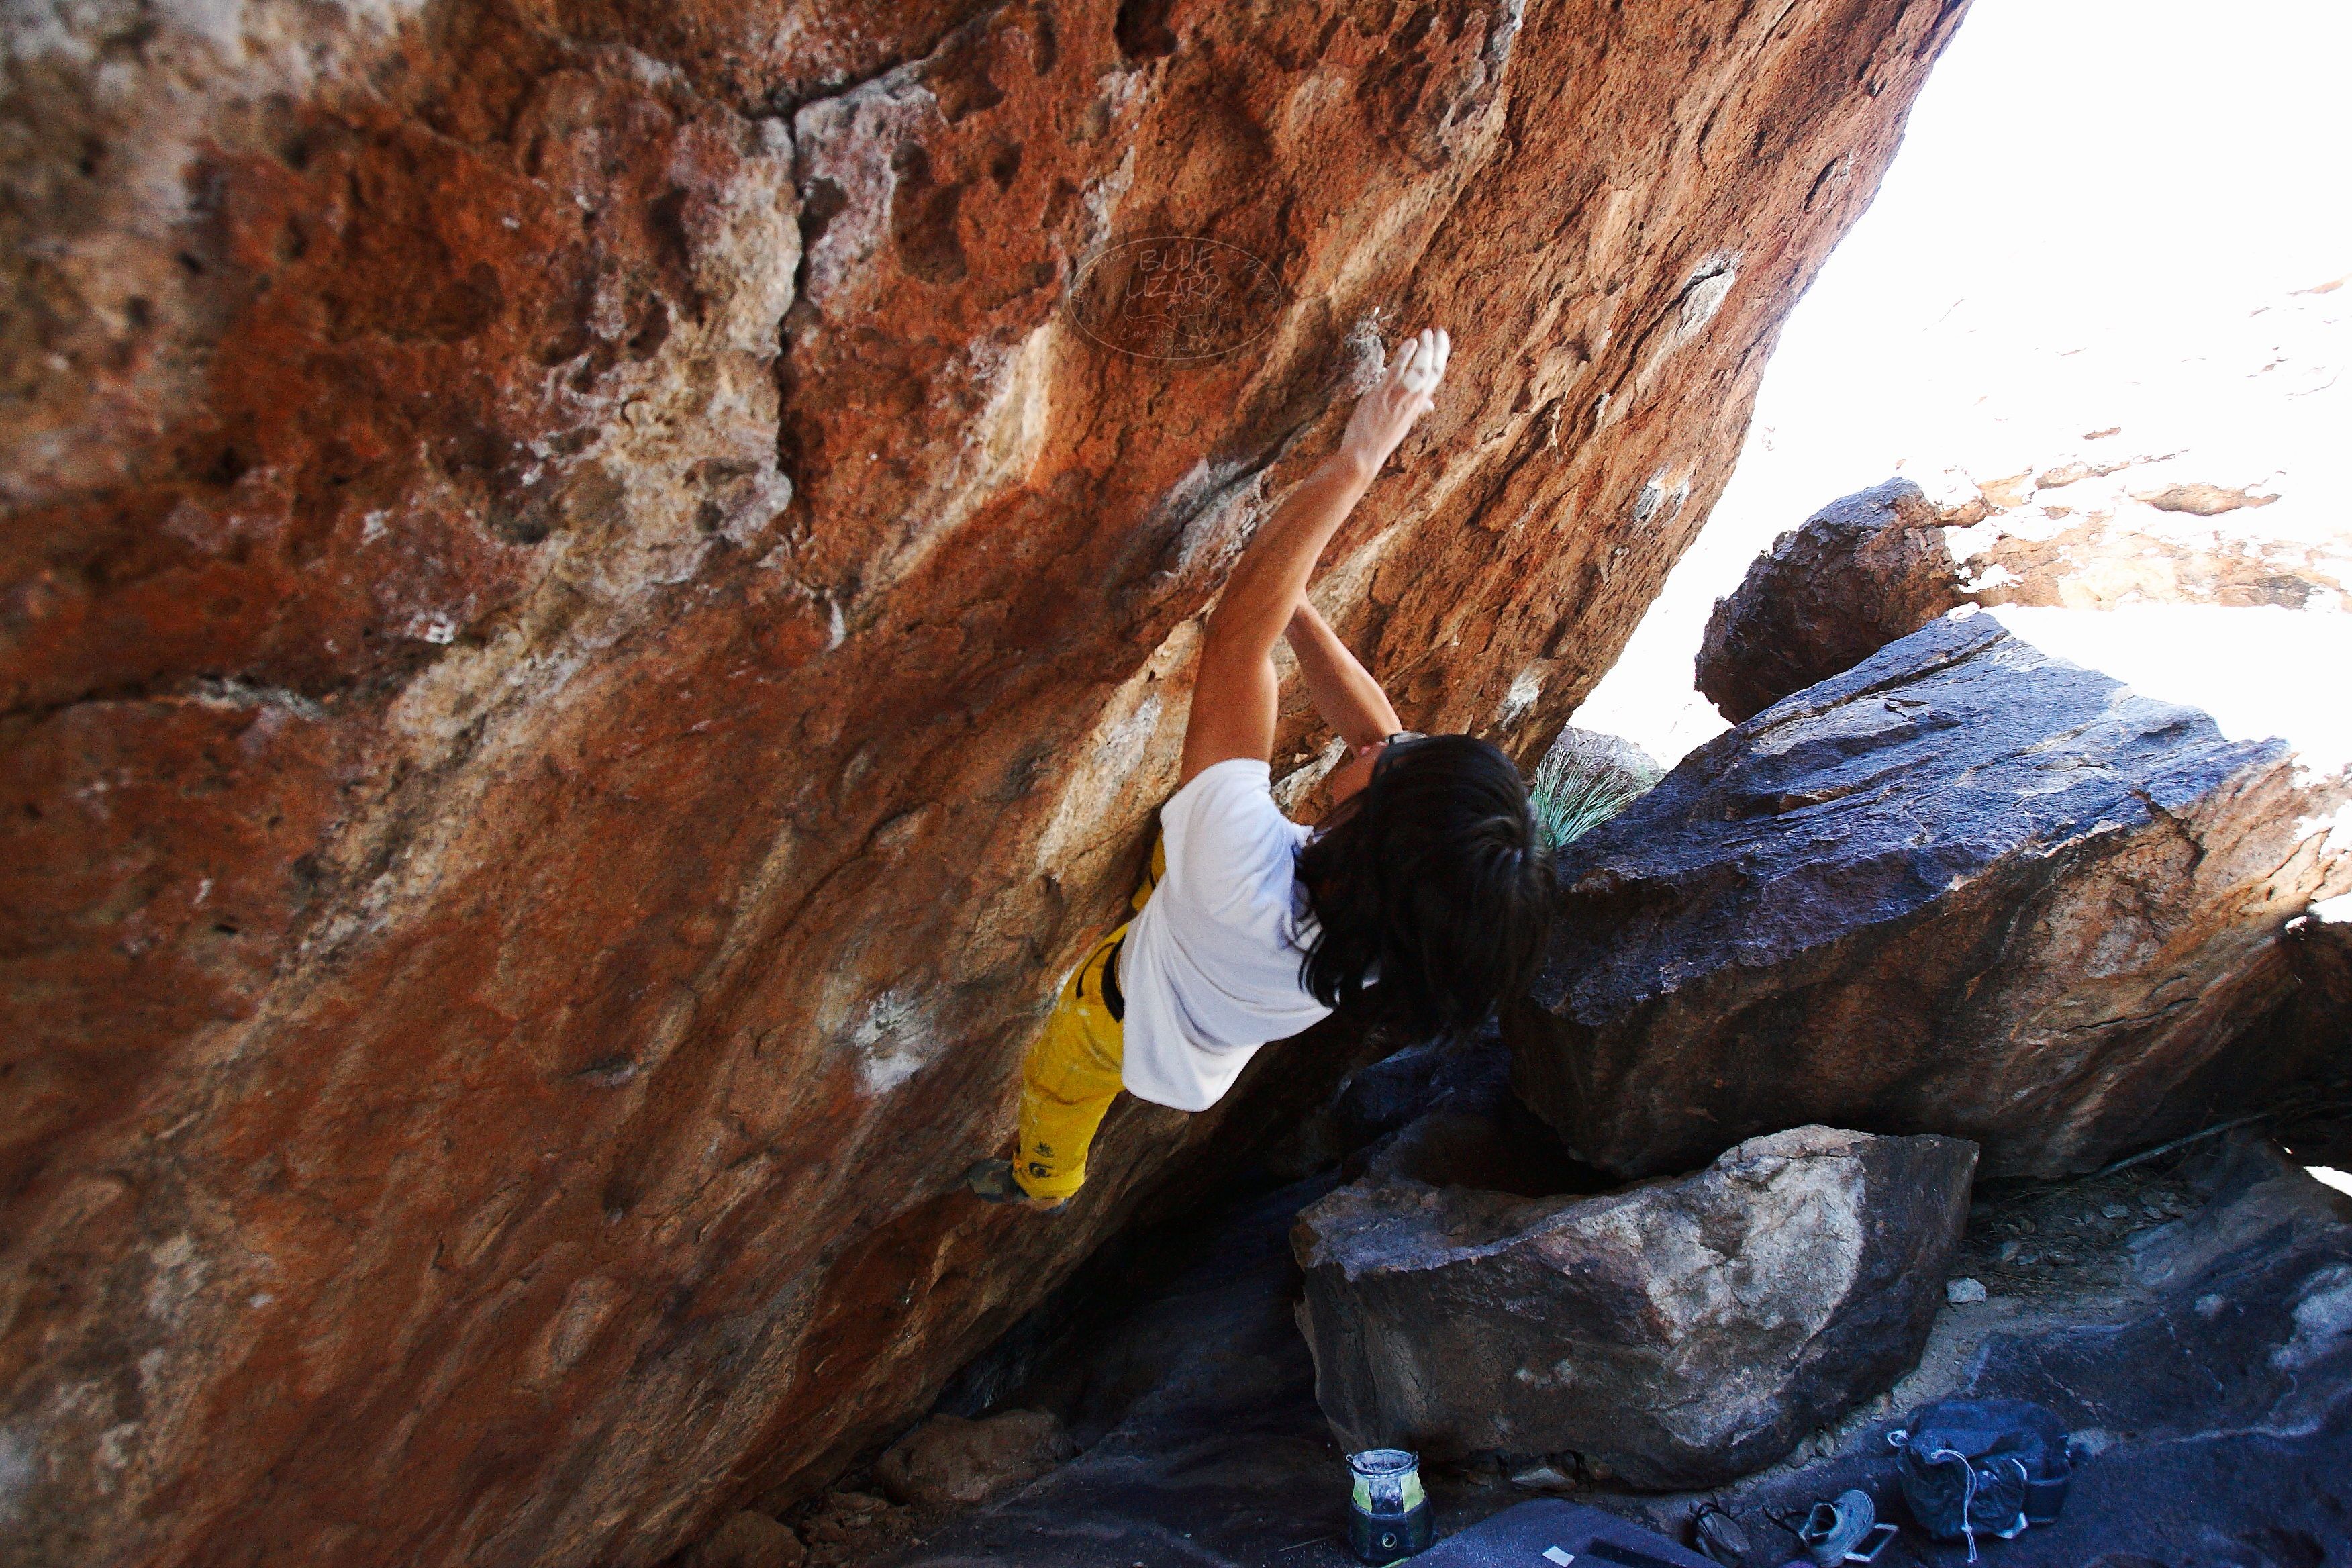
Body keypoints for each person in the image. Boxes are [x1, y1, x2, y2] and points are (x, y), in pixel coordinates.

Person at [966, 327, 1553, 1208]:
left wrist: (1357, 463)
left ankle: (1043, 1178)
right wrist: (1301, 608)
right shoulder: (1396, 932)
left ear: (1367, 833)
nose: (1385, 738)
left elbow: (1237, 631)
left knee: (1060, 1090)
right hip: (1215, 1020)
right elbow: (1377, 740)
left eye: (1390, 766)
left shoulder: (1240, 863)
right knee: (1195, 854)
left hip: (1114, 1023)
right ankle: (1159, 921)